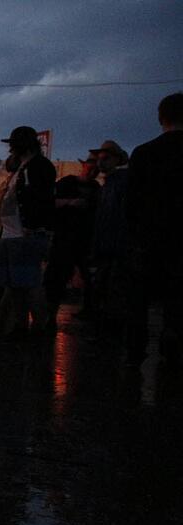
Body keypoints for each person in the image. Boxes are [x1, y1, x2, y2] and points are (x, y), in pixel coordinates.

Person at [125, 92, 183, 368]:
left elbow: (131, 201)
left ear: (161, 118)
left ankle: (135, 353)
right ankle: (173, 350)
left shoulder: (145, 153)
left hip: (147, 240)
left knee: (140, 301)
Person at [0, 125, 55, 339]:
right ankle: (21, 326)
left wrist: (33, 225)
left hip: (24, 234)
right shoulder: (24, 167)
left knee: (28, 283)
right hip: (13, 234)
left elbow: (42, 198)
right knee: (16, 284)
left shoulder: (38, 167)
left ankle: (39, 325)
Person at [45, 154, 99, 330]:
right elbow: (50, 202)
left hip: (85, 240)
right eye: (90, 168)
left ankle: (89, 310)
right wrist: (71, 202)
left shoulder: (96, 189)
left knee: (89, 279)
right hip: (65, 238)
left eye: (95, 170)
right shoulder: (67, 183)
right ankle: (50, 316)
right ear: (83, 166)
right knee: (57, 278)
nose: (92, 172)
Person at [88, 140, 130, 345]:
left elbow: (115, 217)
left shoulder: (119, 182)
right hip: (109, 245)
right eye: (99, 159)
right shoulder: (112, 182)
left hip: (114, 246)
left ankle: (110, 334)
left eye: (105, 159)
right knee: (106, 290)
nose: (100, 163)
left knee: (111, 291)